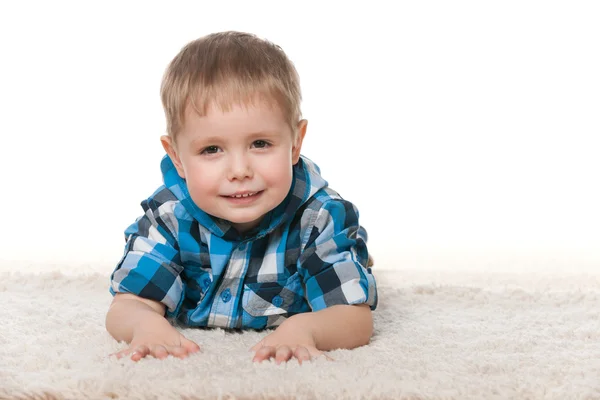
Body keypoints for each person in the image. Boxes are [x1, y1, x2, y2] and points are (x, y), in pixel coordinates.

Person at [105, 31, 378, 364]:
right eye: (211, 149)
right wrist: (144, 324)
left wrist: (306, 328)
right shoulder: (168, 216)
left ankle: (353, 254)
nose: (239, 170)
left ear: (295, 143)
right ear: (177, 157)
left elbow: (354, 318)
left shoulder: (319, 218)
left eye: (260, 144)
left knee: (345, 264)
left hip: (319, 238)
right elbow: (127, 304)